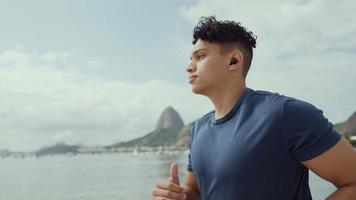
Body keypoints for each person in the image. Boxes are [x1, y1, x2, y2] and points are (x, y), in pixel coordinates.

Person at [152, 16, 356, 200]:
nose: (189, 66)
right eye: (190, 59)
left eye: (200, 56)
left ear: (233, 61)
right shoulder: (198, 129)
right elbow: (195, 191)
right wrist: (177, 196)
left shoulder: (284, 115)